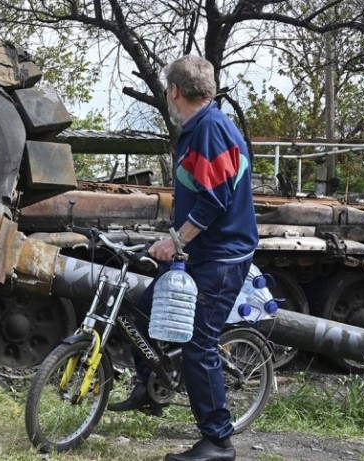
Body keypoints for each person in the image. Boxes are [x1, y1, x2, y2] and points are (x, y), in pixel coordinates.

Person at [107, 55, 259, 461]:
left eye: (167, 90)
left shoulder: (211, 129)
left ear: (174, 91)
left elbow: (213, 200)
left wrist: (175, 241)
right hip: (201, 252)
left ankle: (218, 441)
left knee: (199, 343)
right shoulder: (198, 128)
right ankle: (149, 388)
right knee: (141, 308)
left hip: (221, 256)